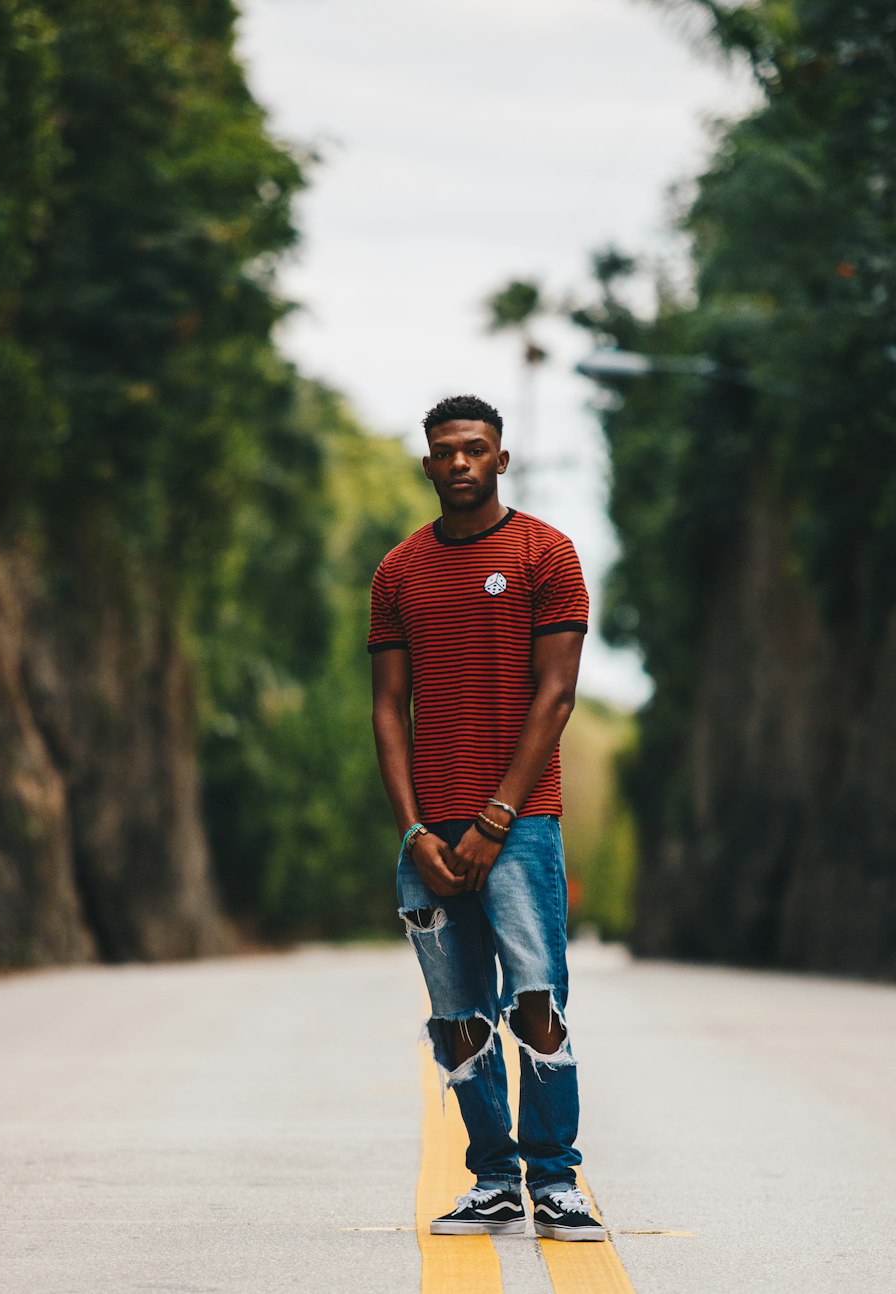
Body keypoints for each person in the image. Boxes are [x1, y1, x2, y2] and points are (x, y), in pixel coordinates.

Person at [368, 393, 605, 1241]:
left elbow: (558, 694)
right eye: (444, 451)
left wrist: (497, 816)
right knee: (459, 1015)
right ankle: (495, 1180)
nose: (460, 462)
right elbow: (390, 709)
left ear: (501, 459)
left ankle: (558, 1178)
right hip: (430, 832)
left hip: (523, 823)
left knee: (536, 1000)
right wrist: (414, 830)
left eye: (475, 449)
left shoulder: (548, 553)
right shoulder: (398, 572)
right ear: (427, 464)